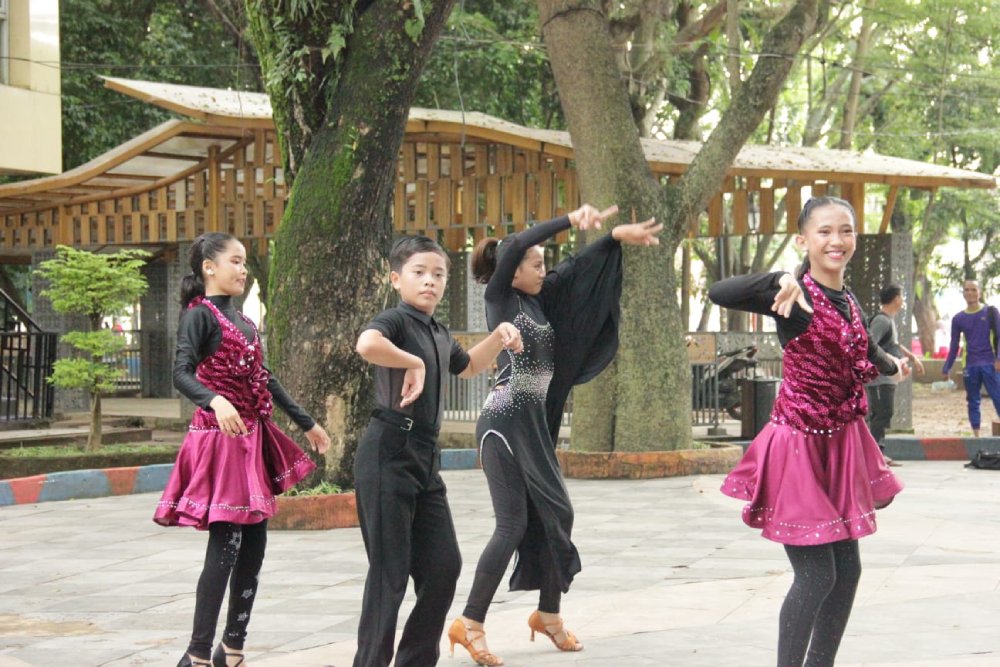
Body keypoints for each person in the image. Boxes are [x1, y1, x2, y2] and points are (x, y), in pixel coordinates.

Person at [448, 205, 662, 666]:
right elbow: (521, 243)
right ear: (513, 267)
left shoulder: (540, 301)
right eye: (535, 262)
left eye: (545, 263)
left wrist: (612, 240)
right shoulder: (501, 298)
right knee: (512, 525)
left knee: (555, 515)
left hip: (532, 428)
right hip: (503, 424)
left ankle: (547, 614)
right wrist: (571, 219)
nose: (543, 268)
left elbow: (577, 270)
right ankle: (470, 623)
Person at [709, 196, 907, 667]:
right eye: (824, 232)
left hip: (839, 444)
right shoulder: (793, 298)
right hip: (799, 447)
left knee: (849, 572)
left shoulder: (849, 297)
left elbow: (859, 344)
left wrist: (892, 366)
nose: (837, 240)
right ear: (804, 240)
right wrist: (779, 278)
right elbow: (720, 290)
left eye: (846, 230)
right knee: (817, 577)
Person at [154, 232, 331, 667]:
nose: (243, 268)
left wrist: (307, 423)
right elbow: (180, 372)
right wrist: (214, 399)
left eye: (245, 261)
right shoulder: (199, 315)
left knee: (254, 546)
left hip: (252, 439)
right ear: (209, 267)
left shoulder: (248, 323)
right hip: (219, 441)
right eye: (235, 260)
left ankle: (231, 650)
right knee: (226, 545)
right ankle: (198, 655)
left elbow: (264, 378)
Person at [352, 235, 523, 667]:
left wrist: (500, 336)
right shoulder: (394, 320)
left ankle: (415, 660)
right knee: (389, 576)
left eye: (438, 274)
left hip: (425, 460)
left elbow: (468, 367)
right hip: (387, 452)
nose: (430, 281)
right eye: (419, 273)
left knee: (444, 566)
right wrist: (413, 362)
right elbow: (366, 344)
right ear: (396, 279)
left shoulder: (438, 330)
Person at [865, 283, 924, 465]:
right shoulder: (882, 320)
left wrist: (911, 357)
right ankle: (875, 455)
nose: (903, 300)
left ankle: (877, 453)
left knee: (885, 413)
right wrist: (892, 360)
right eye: (901, 296)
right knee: (881, 413)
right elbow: (871, 345)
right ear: (896, 299)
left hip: (888, 377)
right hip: (879, 378)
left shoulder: (889, 320)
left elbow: (893, 344)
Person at [941, 279, 1000, 436]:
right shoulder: (958, 319)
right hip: (971, 365)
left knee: (997, 397)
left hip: (990, 363)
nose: (970, 293)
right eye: (966, 290)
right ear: (963, 293)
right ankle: (976, 435)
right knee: (973, 401)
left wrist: (998, 359)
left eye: (973, 289)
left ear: (979, 292)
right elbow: (954, 346)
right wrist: (947, 367)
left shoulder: (991, 312)